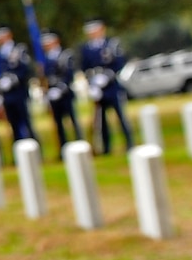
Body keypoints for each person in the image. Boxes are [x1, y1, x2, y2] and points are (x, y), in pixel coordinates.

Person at [81, 19, 133, 155]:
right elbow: (85, 67)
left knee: (120, 116)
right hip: (97, 88)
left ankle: (129, 142)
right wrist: (92, 84)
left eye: (94, 31)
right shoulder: (86, 48)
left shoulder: (111, 44)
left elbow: (119, 63)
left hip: (112, 87)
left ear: (101, 29)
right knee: (101, 120)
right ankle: (106, 146)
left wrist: (107, 77)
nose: (92, 34)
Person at [40, 31, 83, 158]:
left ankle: (80, 143)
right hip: (53, 95)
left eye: (48, 43)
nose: (46, 46)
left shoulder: (66, 55)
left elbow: (69, 75)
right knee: (58, 124)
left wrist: (60, 88)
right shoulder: (46, 59)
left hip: (65, 94)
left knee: (73, 120)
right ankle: (63, 148)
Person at [0, 26, 38, 144]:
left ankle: (32, 144)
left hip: (19, 91)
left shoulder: (19, 49)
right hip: (7, 94)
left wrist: (12, 80)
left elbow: (25, 69)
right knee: (12, 121)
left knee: (25, 120)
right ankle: (18, 145)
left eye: (1, 37)